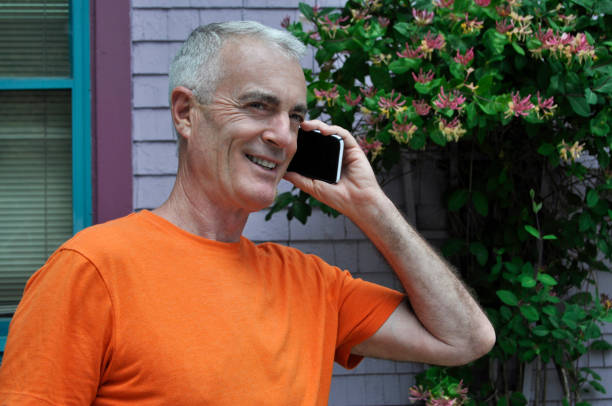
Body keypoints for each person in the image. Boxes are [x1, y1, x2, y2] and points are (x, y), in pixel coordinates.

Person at [0, 21, 495, 405]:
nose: (282, 135)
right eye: (259, 106)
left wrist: (373, 208)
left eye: (296, 117)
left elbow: (464, 339)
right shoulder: (91, 270)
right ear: (185, 114)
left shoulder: (312, 285)